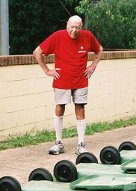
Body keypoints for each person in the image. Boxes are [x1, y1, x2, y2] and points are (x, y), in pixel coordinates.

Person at [33, 15, 103, 155]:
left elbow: (99, 49)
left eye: (77, 27)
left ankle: (81, 144)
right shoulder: (57, 36)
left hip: (80, 80)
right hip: (62, 81)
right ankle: (58, 143)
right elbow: (37, 52)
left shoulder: (87, 36)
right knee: (60, 108)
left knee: (80, 109)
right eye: (72, 27)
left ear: (81, 26)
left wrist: (93, 66)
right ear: (67, 25)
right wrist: (47, 70)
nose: (74, 30)